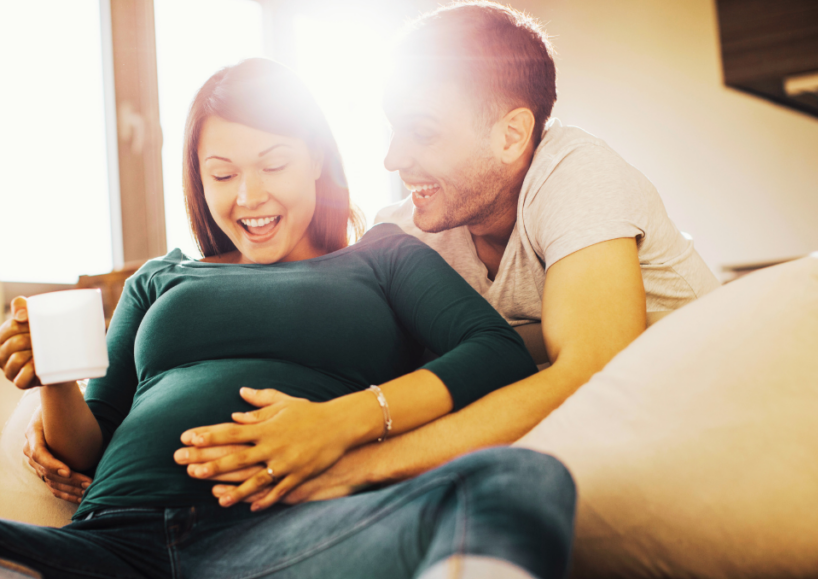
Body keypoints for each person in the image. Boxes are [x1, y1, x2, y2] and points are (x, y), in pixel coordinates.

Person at [0, 58, 575, 579]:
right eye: (222, 172)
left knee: (520, 480)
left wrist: (338, 423)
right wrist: (54, 379)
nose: (248, 198)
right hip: (109, 549)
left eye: (274, 165)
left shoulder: (381, 256)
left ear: (317, 158)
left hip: (280, 543)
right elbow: (85, 449)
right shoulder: (160, 280)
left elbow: (493, 354)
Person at [147, 0, 722, 509]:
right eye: (394, 129)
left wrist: (356, 467)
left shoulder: (575, 174)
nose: (393, 158)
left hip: (705, 412)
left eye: (423, 132)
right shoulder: (407, 232)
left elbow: (588, 373)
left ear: (511, 135)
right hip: (572, 442)